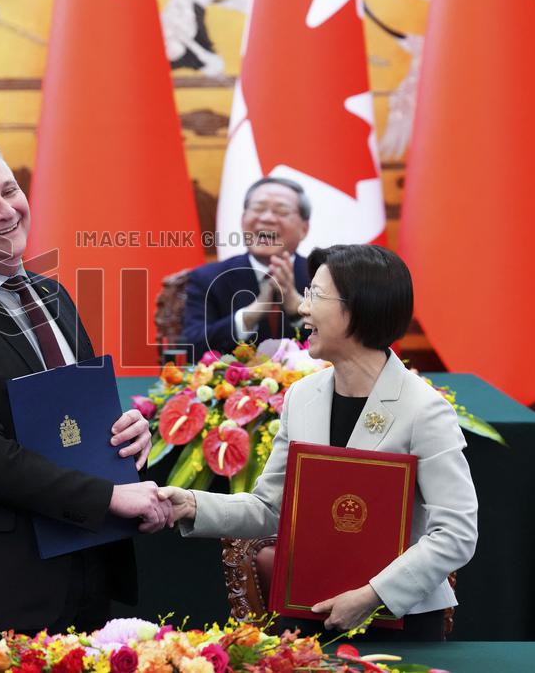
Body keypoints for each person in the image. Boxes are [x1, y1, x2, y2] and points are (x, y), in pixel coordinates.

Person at [0, 138, 168, 639]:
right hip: (5, 591)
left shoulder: (51, 293)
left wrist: (128, 435)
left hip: (90, 570)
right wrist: (108, 495)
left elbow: (77, 419)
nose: (5, 211)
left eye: (9, 190)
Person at [161, 244, 478, 642]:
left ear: (360, 308)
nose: (304, 308)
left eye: (316, 295)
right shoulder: (302, 395)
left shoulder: (424, 409)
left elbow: (456, 532)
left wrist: (371, 595)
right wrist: (191, 504)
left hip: (399, 620)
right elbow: (270, 508)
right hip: (308, 613)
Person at [181, 177, 310, 361]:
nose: (267, 218)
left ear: (304, 228)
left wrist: (297, 310)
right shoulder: (208, 278)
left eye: (281, 211)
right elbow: (190, 349)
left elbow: (346, 347)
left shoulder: (326, 276)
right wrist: (249, 316)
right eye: (258, 209)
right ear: (243, 220)